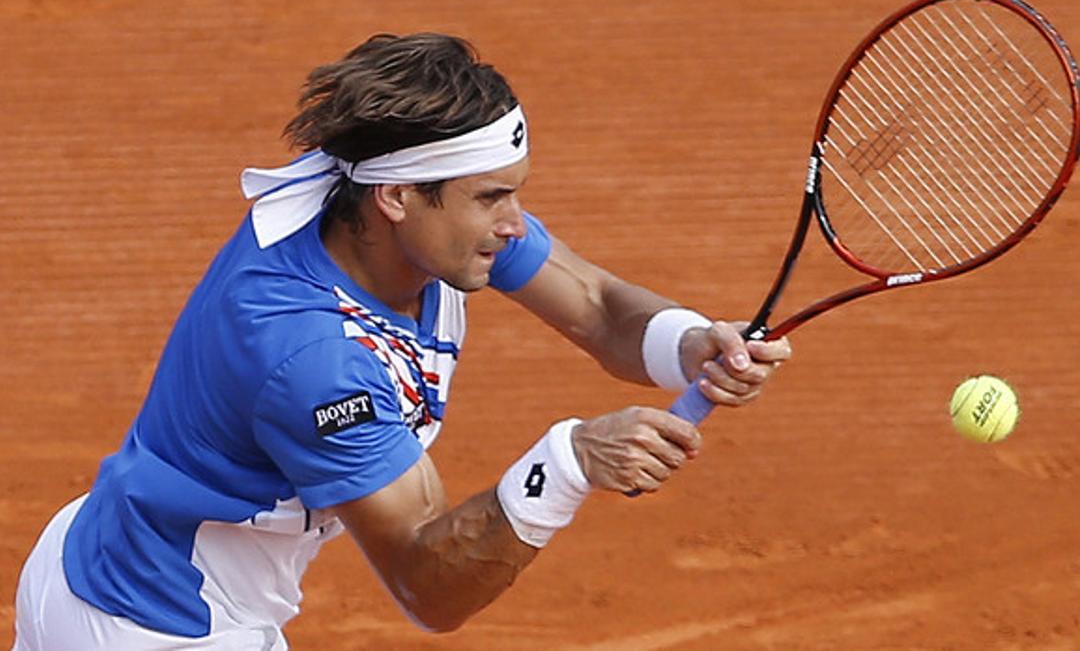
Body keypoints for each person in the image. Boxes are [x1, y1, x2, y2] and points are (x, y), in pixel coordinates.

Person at [13, 32, 791, 649]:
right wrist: (569, 460)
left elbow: (593, 303)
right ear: (396, 197)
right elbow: (429, 582)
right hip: (155, 623)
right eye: (491, 197)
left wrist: (689, 342)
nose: (514, 223)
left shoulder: (407, 221)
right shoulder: (312, 358)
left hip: (108, 564)